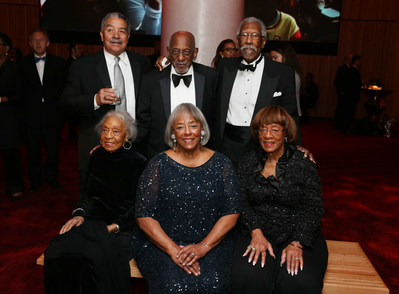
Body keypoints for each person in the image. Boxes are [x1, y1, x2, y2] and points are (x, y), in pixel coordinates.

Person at [135, 103, 240, 294]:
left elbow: (232, 212)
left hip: (213, 244)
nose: (187, 132)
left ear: (202, 129)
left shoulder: (222, 164)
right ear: (173, 133)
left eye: (193, 125)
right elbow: (144, 215)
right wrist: (174, 250)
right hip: (163, 244)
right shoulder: (157, 165)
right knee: (173, 285)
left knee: (212, 284)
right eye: (180, 127)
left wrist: (203, 247)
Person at [44, 111, 147, 294]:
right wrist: (79, 214)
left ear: (127, 136)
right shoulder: (96, 155)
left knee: (93, 258)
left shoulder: (138, 162)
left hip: (122, 228)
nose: (108, 136)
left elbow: (139, 207)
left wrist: (114, 226)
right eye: (105, 130)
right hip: (92, 221)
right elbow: (86, 194)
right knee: (57, 250)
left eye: (115, 131)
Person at [231, 105, 328, 294]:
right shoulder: (248, 160)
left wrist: (297, 243)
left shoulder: (302, 162)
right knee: (248, 274)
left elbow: (313, 207)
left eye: (275, 129)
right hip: (256, 231)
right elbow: (241, 199)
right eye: (263, 129)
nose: (268, 135)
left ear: (285, 133)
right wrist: (256, 232)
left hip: (297, 234)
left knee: (298, 279)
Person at [61, 12, 151, 189]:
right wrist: (95, 99)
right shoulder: (82, 66)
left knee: (133, 198)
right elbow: (65, 104)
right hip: (96, 145)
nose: (116, 36)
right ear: (102, 35)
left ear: (128, 36)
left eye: (122, 31)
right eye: (110, 30)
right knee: (95, 199)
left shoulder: (142, 63)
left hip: (135, 144)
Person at [215, 17, 300, 168]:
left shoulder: (282, 73)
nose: (248, 40)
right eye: (244, 35)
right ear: (238, 41)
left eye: (254, 35)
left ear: (263, 41)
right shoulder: (224, 67)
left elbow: (290, 115)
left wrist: (297, 147)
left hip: (263, 147)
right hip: (227, 146)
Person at [136, 31, 218, 158]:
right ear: (168, 52)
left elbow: (216, 119)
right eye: (175, 52)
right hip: (160, 155)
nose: (180, 58)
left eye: (186, 52)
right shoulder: (151, 80)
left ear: (195, 53)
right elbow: (143, 121)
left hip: (201, 155)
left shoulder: (211, 77)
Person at [17, 28, 66, 193]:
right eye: (35, 40)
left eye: (41, 39)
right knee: (32, 151)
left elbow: (63, 90)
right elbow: (20, 91)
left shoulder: (60, 63)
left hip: (53, 116)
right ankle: (36, 180)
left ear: (48, 43)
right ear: (30, 43)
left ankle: (52, 178)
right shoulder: (22, 64)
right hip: (31, 117)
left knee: (53, 150)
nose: (38, 43)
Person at [0, 32, 25, 200]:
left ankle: (15, 186)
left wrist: (4, 99)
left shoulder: (15, 68)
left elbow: (21, 95)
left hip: (7, 118)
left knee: (11, 155)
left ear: (6, 48)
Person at [269, 41, 303, 117]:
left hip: (289, 115)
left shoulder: (291, 75)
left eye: (275, 57)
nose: (272, 61)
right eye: (271, 58)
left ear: (286, 57)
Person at [334, 54, 361, 133]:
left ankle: (342, 125)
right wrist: (341, 91)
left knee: (345, 110)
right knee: (341, 108)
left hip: (347, 93)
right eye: (350, 59)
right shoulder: (342, 69)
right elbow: (339, 81)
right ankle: (339, 125)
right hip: (344, 93)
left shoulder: (350, 69)